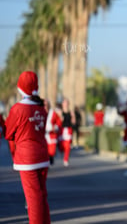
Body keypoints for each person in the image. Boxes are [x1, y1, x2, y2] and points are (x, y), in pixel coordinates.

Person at [4, 71, 51, 224]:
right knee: (42, 195)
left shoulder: (17, 109)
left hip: (27, 158)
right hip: (43, 156)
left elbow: (8, 133)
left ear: (20, 88)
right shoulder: (41, 109)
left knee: (33, 198)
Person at [59, 98, 75, 166]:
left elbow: (74, 122)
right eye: (64, 103)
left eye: (67, 103)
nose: (65, 104)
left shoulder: (71, 112)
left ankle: (66, 159)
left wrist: (73, 117)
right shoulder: (60, 112)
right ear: (62, 104)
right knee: (61, 146)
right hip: (61, 130)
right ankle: (62, 150)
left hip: (68, 129)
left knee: (68, 146)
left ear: (68, 104)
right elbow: (57, 121)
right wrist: (60, 118)